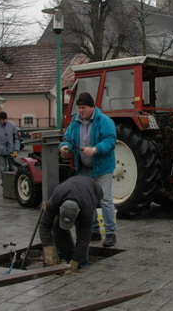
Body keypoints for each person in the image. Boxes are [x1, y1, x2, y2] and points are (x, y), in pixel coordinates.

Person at [59, 92, 118, 248]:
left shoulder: (104, 121)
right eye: (79, 108)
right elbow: (68, 139)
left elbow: (111, 141)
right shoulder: (75, 122)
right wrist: (65, 147)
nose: (81, 111)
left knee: (105, 200)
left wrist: (95, 149)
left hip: (103, 168)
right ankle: (94, 231)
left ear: (92, 107)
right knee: (87, 201)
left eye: (83, 107)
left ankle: (111, 233)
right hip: (84, 168)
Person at [39, 175, 103, 272]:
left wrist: (75, 260)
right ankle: (69, 256)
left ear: (78, 211)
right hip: (68, 188)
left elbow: (84, 238)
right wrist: (48, 248)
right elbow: (44, 225)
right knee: (57, 229)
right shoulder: (55, 199)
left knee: (81, 231)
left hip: (93, 190)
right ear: (60, 209)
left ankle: (82, 263)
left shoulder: (87, 209)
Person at [0, 111, 21, 176]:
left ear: (6, 118)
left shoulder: (12, 125)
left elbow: (17, 138)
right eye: (0, 120)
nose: (2, 121)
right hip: (0, 151)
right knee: (3, 168)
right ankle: (4, 182)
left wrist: (16, 150)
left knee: (13, 167)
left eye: (3, 120)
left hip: (11, 151)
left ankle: (13, 183)